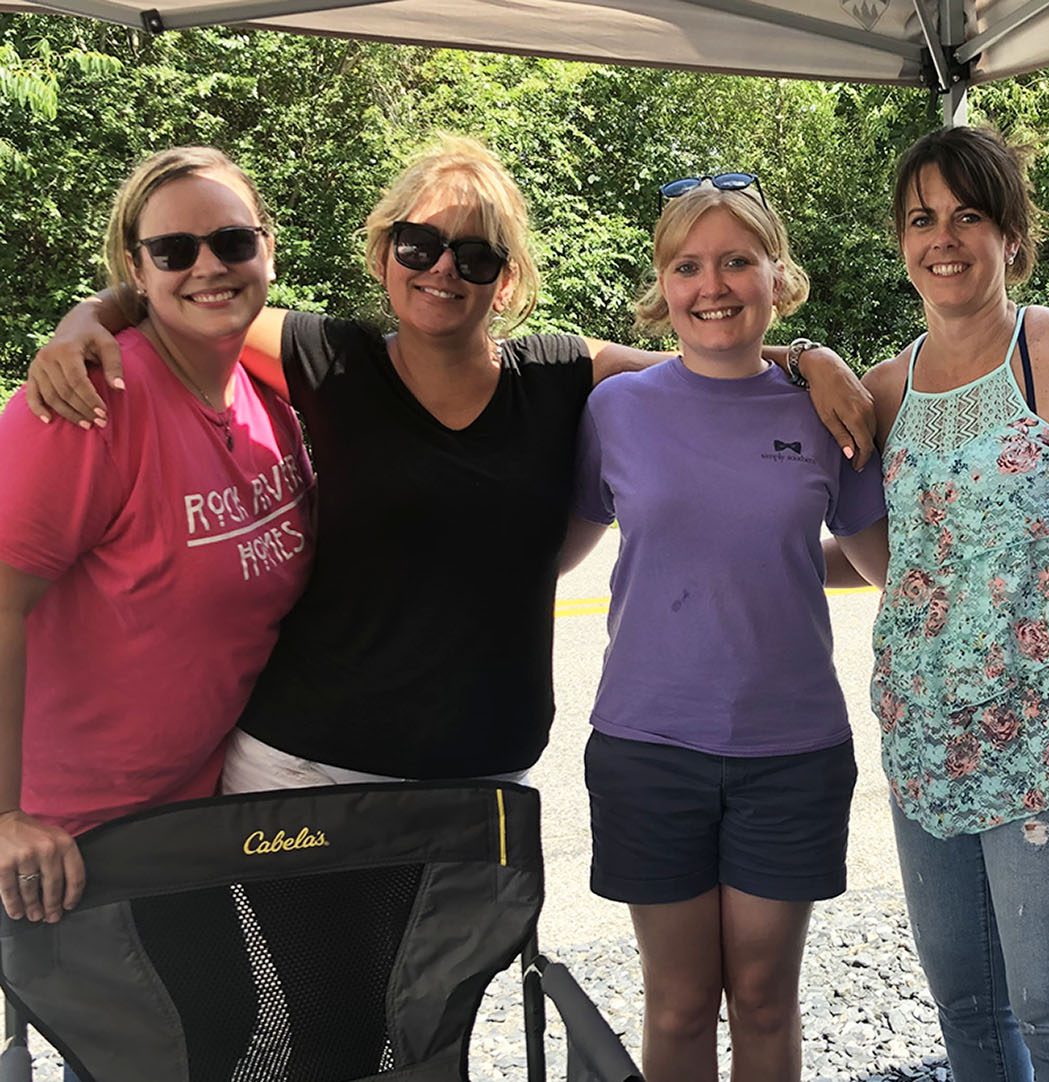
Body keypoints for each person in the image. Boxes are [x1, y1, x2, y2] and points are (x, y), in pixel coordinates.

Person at [25, 135, 874, 798]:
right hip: (309, 766)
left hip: (485, 770)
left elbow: (708, 358)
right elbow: (199, 288)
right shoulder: (329, 357)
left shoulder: (558, 373)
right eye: (418, 244)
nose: (442, 269)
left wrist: (808, 357)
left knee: (451, 985)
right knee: (317, 984)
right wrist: (85, 317)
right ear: (382, 253)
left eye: (475, 255)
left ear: (505, 280)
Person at [831, 125, 1049, 1081]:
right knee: (968, 1012)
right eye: (921, 220)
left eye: (968, 215)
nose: (943, 239)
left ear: (1012, 235)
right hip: (926, 742)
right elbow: (895, 557)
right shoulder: (883, 389)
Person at [560, 178, 889, 1082]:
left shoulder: (825, 409)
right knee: (675, 1003)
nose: (712, 285)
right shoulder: (616, 410)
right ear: (662, 285)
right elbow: (552, 557)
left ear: (777, 276)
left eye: (737, 261)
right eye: (687, 266)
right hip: (647, 748)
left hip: (790, 753)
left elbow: (888, 566)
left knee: (764, 999)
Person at [0, 147, 314, 922]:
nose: (209, 265)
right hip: (79, 841)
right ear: (136, 270)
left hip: (203, 811)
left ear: (268, 248)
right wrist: (4, 817)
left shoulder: (267, 387)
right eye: (174, 250)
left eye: (232, 241)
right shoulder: (85, 405)